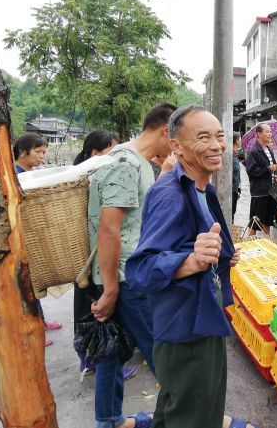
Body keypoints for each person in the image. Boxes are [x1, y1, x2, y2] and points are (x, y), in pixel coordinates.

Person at [125, 105, 255, 428]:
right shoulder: (169, 194)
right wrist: (191, 260)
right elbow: (140, 269)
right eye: (203, 137)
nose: (216, 145)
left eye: (220, 136)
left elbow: (197, 243)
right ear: (176, 146)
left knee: (177, 411)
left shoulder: (201, 188)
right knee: (196, 417)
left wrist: (222, 255)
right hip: (186, 332)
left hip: (201, 318)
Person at [88, 102, 175, 428]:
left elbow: (133, 219)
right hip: (127, 278)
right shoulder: (125, 162)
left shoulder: (133, 159)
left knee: (112, 351)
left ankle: (108, 420)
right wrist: (111, 289)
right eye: (177, 137)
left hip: (124, 274)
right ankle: (188, 417)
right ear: (166, 130)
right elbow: (109, 228)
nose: (177, 146)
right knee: (164, 356)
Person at [72, 129, 138, 379]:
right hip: (89, 256)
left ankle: (91, 359)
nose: (116, 155)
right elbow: (107, 227)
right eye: (111, 149)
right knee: (93, 307)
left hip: (88, 256)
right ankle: (92, 360)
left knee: (89, 306)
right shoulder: (85, 180)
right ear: (95, 153)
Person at [13, 133, 62, 347]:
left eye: (44, 153)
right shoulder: (15, 175)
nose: (42, 157)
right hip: (18, 241)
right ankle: (33, 329)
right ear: (23, 152)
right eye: (38, 152)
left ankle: (39, 321)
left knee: (31, 285)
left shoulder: (28, 174)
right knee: (23, 287)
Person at [245, 123, 277, 235]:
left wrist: (275, 166)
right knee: (255, 223)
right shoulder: (254, 152)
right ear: (259, 134)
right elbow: (251, 171)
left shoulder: (269, 149)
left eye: (270, 131)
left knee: (268, 221)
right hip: (259, 193)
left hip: (270, 191)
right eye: (267, 131)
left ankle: (267, 245)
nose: (270, 134)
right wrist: (268, 168)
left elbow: (270, 168)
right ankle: (249, 247)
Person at [232, 132, 243, 223]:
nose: (241, 140)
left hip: (235, 189)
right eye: (240, 139)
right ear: (236, 141)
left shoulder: (235, 155)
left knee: (233, 212)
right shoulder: (230, 156)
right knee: (230, 213)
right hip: (230, 191)